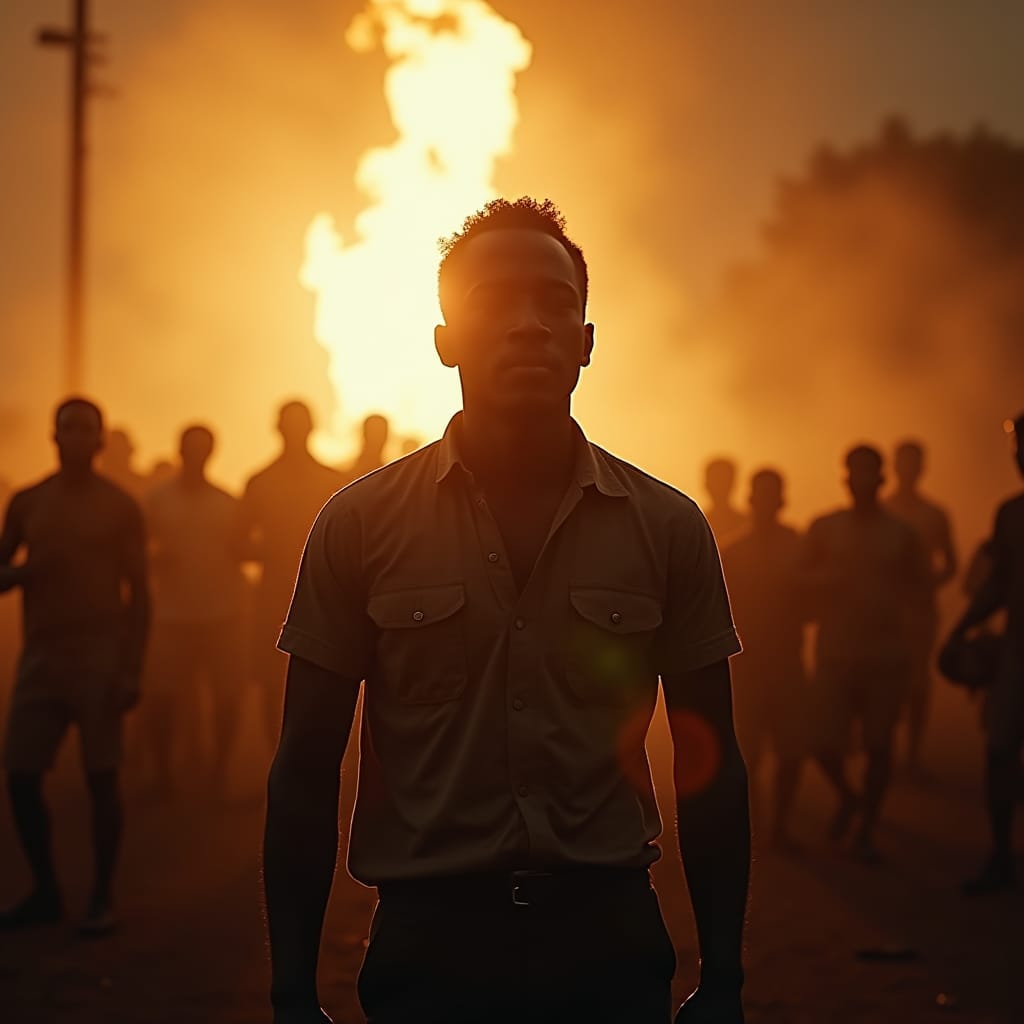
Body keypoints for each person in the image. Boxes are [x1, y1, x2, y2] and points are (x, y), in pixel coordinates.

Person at [263, 198, 749, 1024]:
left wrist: (727, 981)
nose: (530, 325)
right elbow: (306, 769)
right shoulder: (359, 524)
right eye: (495, 303)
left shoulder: (667, 527)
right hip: (431, 952)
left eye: (555, 304)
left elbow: (713, 768)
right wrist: (290, 995)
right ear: (446, 339)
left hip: (609, 948)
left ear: (587, 342)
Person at [0, 398, 149, 934]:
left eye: (87, 430)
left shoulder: (119, 507)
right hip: (41, 655)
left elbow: (141, 595)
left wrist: (131, 668)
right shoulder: (28, 503)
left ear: (101, 441)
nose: (78, 439)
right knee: (20, 776)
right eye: (69, 430)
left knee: (101, 778)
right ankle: (45, 890)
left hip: (100, 654)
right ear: (54, 437)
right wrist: (27, 573)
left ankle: (101, 896)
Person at [802, 445, 928, 862]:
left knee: (878, 745)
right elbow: (797, 584)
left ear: (881, 479)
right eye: (854, 473)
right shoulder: (824, 528)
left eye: (868, 473)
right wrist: (822, 583)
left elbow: (920, 593)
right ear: (845, 478)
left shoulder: (902, 535)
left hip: (886, 656)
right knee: (820, 742)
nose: (860, 481)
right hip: (836, 652)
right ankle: (849, 796)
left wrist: (915, 652)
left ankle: (867, 828)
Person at [142, 425, 246, 799]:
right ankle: (164, 775)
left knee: (226, 697)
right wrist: (156, 560)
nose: (196, 456)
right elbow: (138, 550)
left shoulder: (227, 503)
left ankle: (218, 773)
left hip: (221, 612)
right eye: (191, 449)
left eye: (203, 450)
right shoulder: (157, 500)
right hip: (171, 613)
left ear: (211, 453)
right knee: (161, 698)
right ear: (180, 451)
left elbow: (241, 551)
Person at [239, 402, 345, 748]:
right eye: (291, 425)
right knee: (273, 679)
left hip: (325, 593)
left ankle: (307, 751)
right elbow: (239, 543)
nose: (295, 432)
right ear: (279, 429)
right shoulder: (261, 483)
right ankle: (279, 751)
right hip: (275, 594)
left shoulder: (333, 482)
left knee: (326, 672)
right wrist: (278, 552)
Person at [949, 413, 1024, 894]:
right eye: (1019, 446)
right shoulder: (1011, 514)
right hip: (1016, 652)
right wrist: (960, 629)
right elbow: (999, 584)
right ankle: (1001, 856)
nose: (1019, 455)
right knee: (999, 753)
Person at [722, 469, 807, 851]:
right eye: (762, 495)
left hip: (787, 662)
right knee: (749, 753)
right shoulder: (732, 552)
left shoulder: (800, 547)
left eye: (773, 495)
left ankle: (780, 824)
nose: (767, 502)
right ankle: (757, 825)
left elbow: (813, 602)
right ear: (751, 500)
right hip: (747, 664)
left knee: (791, 751)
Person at [885, 440, 958, 774]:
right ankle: (884, 749)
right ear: (894, 467)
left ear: (922, 468)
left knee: (917, 681)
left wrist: (927, 584)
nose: (908, 470)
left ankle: (911, 754)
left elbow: (951, 563)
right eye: (903, 463)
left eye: (913, 463)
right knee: (885, 677)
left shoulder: (934, 514)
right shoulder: (882, 511)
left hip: (919, 612)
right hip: (883, 613)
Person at [703, 457, 749, 549]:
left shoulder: (747, 524)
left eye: (722, 480)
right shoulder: (698, 522)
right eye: (715, 480)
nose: (719, 487)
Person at [343, 413, 391, 484]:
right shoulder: (346, 472)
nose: (377, 439)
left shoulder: (389, 473)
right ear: (364, 434)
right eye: (374, 433)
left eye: (381, 434)